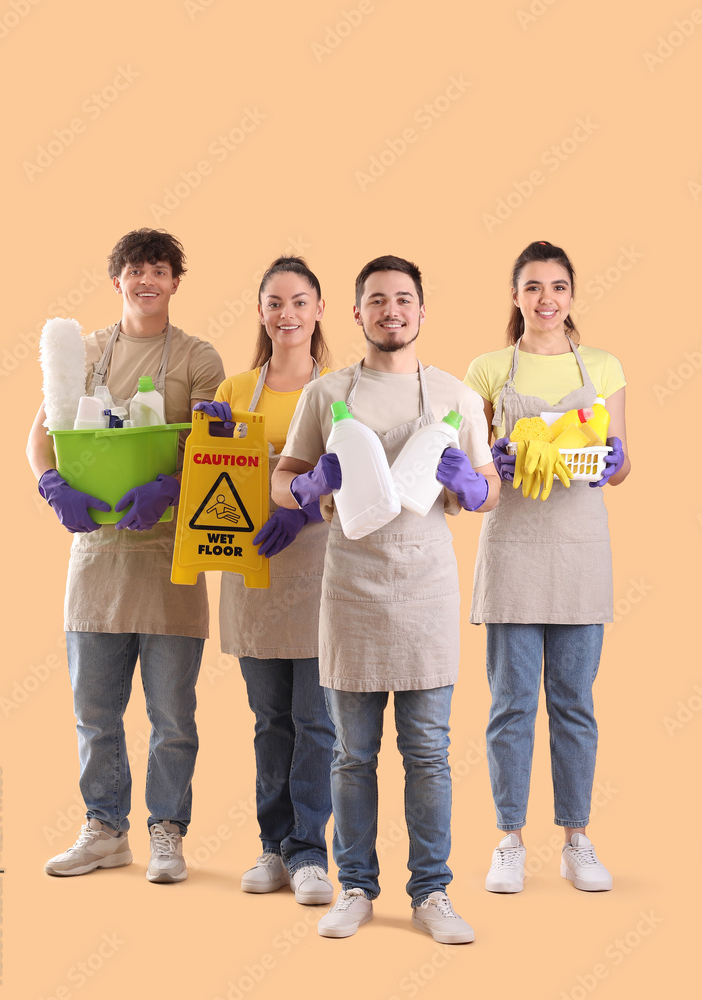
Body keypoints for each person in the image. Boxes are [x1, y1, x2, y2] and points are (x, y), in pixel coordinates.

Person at [272, 255, 500, 943]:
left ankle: (431, 893)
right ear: (356, 314)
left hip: (426, 588)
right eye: (376, 300)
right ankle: (356, 888)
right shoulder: (326, 394)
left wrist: (472, 483)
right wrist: (309, 487)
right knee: (351, 754)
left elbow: (486, 490)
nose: (390, 311)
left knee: (428, 751)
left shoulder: (455, 397)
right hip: (350, 589)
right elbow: (284, 479)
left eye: (403, 300)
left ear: (422, 312)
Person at [27, 228, 225, 883]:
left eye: (159, 270)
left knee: (172, 717)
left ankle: (166, 831)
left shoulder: (197, 358)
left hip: (170, 561)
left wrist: (172, 486)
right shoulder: (81, 353)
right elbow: (43, 436)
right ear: (117, 280)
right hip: (97, 562)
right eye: (135, 269)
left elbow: (216, 451)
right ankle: (105, 829)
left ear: (174, 282)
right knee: (94, 713)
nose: (146, 280)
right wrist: (50, 482)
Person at [463, 240, 630, 895]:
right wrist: (490, 468)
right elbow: (472, 486)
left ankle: (575, 840)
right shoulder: (484, 372)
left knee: (573, 704)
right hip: (510, 553)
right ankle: (508, 839)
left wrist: (613, 462)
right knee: (509, 706)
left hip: (580, 553)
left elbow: (622, 465)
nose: (545, 299)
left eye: (556, 287)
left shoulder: (604, 368)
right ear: (514, 296)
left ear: (571, 295)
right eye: (532, 287)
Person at [195, 257, 335, 905]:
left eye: (299, 302)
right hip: (253, 571)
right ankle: (272, 846)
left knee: (317, 719)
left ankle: (310, 851)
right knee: (269, 719)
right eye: (274, 302)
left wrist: (302, 507)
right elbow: (207, 477)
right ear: (260, 312)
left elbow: (355, 479)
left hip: (320, 571)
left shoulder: (340, 392)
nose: (287, 314)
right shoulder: (232, 391)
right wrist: (205, 441)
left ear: (318, 311)